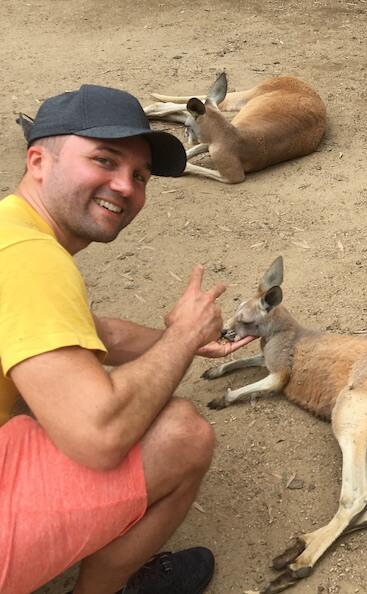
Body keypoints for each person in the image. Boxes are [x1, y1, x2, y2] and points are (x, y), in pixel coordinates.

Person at [0, 85, 254, 594]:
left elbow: (88, 331)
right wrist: (180, 340)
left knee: (43, 388)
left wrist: (187, 340)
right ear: (38, 161)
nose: (125, 186)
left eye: (139, 175)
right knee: (183, 434)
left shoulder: (11, 229)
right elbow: (97, 437)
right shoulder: (32, 260)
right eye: (104, 159)